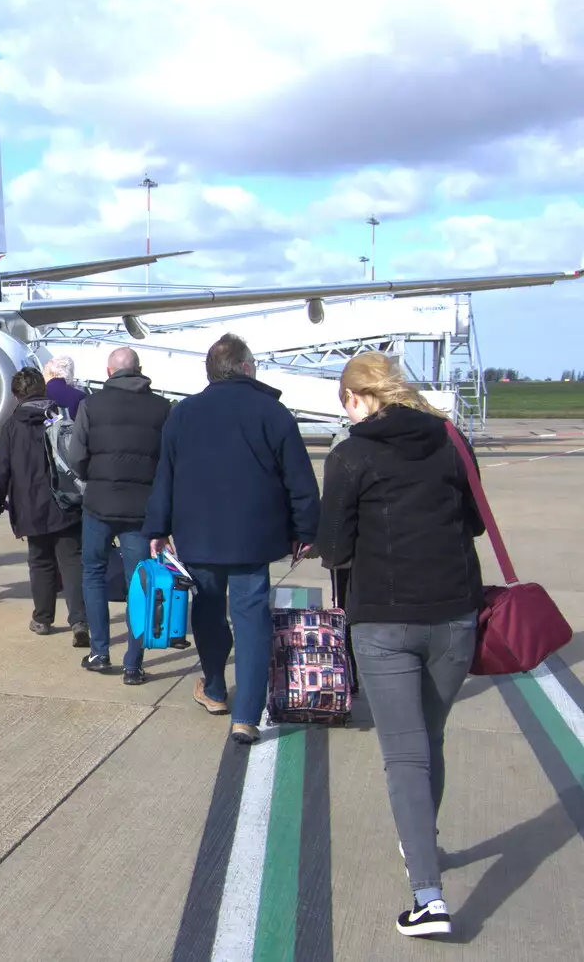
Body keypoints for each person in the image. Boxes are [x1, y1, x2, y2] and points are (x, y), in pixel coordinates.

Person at [315, 352, 485, 939]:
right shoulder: (449, 439)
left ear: (358, 398)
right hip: (454, 612)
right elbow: (475, 521)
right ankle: (424, 846)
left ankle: (428, 897)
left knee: (405, 754)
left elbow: (333, 547)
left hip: (385, 620)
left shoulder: (353, 453)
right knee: (428, 742)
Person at [143, 333, 320, 745]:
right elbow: (299, 479)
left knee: (206, 609)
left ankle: (216, 688)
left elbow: (164, 476)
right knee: (251, 617)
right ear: (244, 367)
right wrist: (306, 531)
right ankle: (247, 715)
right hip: (253, 535)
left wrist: (157, 527)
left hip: (198, 532)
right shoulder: (272, 412)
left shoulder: (183, 413)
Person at [65, 346, 171, 680]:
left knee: (93, 574)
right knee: (139, 583)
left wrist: (93, 477)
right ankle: (133, 664)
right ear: (140, 370)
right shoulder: (162, 408)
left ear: (109, 373)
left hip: (99, 504)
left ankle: (99, 652)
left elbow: (76, 456)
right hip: (141, 509)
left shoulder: (90, 405)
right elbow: (169, 462)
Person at [0, 368, 86, 637]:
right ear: (43, 389)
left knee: (40, 562)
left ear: (16, 396)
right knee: (72, 562)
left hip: (31, 506)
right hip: (67, 502)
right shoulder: (61, 415)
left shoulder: (13, 427)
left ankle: (43, 619)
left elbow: (0, 471)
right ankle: (80, 621)